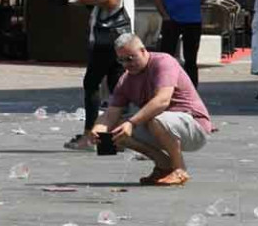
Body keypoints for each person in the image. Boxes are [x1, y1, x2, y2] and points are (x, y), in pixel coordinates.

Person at [88, 33, 212, 186]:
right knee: (117, 130)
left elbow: (162, 101)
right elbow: (111, 114)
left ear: (143, 50)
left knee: (154, 119)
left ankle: (180, 170)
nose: (127, 64)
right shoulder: (125, 80)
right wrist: (98, 129)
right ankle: (163, 166)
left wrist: (131, 123)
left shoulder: (163, 62)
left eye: (131, 58)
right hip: (163, 127)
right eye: (121, 60)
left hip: (194, 127)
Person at [65, 0, 135, 151]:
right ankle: (117, 137)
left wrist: (89, 0)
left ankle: (89, 135)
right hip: (120, 40)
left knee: (91, 83)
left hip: (108, 40)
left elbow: (112, 1)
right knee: (117, 88)